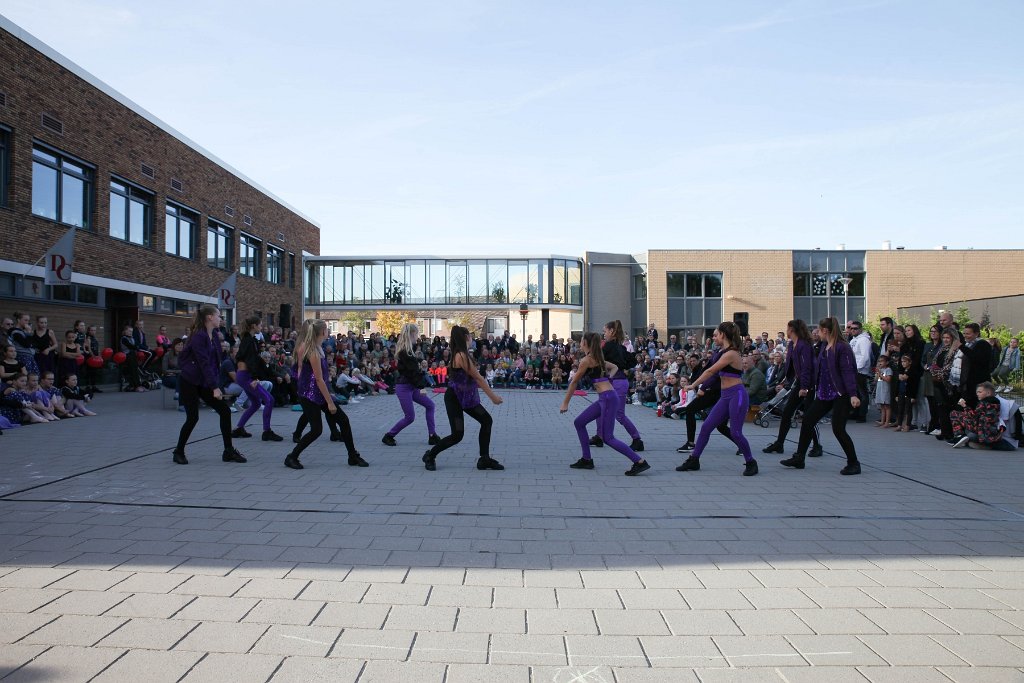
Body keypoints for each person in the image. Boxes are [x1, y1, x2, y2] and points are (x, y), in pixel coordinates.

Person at [675, 321, 759, 476]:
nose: (714, 337)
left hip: (737, 395)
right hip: (726, 396)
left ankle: (751, 462)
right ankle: (694, 460)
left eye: (716, 334)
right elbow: (710, 370)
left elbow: (711, 371)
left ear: (723, 335)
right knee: (707, 427)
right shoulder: (722, 352)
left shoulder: (731, 353)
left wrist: (693, 385)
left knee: (736, 432)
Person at [780, 317, 862, 475]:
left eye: (818, 329)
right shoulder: (824, 346)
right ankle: (799, 458)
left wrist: (853, 394)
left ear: (825, 331)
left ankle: (854, 463)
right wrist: (807, 387)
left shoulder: (841, 347)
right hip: (825, 393)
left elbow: (848, 372)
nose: (816, 332)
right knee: (808, 420)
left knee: (838, 429)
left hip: (841, 393)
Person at [561, 331, 650, 475]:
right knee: (579, 422)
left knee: (608, 438)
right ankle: (586, 459)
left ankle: (639, 462)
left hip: (608, 398)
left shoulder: (587, 360)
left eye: (581, 340)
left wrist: (565, 403)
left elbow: (574, 382)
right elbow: (614, 367)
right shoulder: (597, 357)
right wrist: (608, 379)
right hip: (606, 398)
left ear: (585, 343)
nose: (580, 343)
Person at [286, 319, 367, 469]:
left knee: (343, 420)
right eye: (327, 329)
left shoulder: (318, 347)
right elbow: (317, 379)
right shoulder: (312, 351)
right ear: (323, 332)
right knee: (316, 430)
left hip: (317, 392)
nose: (328, 332)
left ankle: (352, 456)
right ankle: (292, 457)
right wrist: (330, 402)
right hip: (309, 394)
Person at [421, 326, 504, 472]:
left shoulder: (462, 354)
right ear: (466, 337)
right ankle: (430, 455)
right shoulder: (461, 356)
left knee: (486, 421)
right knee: (457, 434)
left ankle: (484, 459)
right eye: (470, 336)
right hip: (454, 398)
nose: (472, 339)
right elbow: (477, 377)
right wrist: (493, 398)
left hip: (465, 397)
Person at [173, 304, 247, 465]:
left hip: (204, 381)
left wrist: (216, 385)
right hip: (190, 381)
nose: (221, 318)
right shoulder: (198, 336)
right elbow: (203, 363)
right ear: (209, 317)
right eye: (219, 315)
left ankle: (228, 451)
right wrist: (214, 387)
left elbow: (215, 363)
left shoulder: (213, 335)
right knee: (193, 418)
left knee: (225, 411)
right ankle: (178, 451)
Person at [763, 319, 821, 457]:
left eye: (787, 328)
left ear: (792, 329)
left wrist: (805, 387)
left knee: (809, 415)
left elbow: (807, 367)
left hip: (807, 384)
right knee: (787, 412)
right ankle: (780, 443)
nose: (786, 331)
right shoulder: (792, 344)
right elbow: (793, 367)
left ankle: (817, 446)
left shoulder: (804, 345)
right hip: (798, 382)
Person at [589, 320, 644, 452]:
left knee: (619, 415)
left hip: (616, 382)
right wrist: (622, 367)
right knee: (599, 409)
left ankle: (637, 440)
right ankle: (599, 436)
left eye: (605, 331)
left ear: (612, 331)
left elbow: (596, 361)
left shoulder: (608, 347)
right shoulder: (620, 347)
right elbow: (631, 361)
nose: (604, 334)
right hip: (616, 381)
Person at [382, 323, 440, 447]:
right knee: (410, 417)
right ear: (412, 334)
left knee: (430, 405)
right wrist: (422, 387)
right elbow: (411, 372)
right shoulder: (405, 352)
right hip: (404, 388)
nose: (417, 336)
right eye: (416, 333)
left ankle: (432, 435)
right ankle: (389, 436)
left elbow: (412, 368)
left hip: (411, 386)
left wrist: (420, 365)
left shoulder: (409, 350)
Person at [231, 316, 283, 442]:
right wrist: (254, 378)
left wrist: (270, 373)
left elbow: (250, 359)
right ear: (253, 326)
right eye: (260, 325)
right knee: (269, 399)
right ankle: (267, 431)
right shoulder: (249, 341)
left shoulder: (250, 340)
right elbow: (250, 360)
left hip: (244, 375)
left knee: (256, 403)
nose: (261, 327)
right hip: (246, 376)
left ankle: (239, 429)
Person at [950, 382, 1003, 449]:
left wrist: (964, 405)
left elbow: (972, 416)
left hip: (981, 430)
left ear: (988, 393)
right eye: (977, 392)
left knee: (954, 413)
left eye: (979, 392)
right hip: (990, 431)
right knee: (961, 414)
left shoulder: (984, 403)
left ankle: (959, 437)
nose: (977, 394)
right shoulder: (996, 403)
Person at [893, 353, 920, 432]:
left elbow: (915, 385)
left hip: (909, 393)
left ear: (910, 362)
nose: (903, 363)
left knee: (908, 410)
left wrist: (913, 396)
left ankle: (908, 425)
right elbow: (898, 383)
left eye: (905, 361)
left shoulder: (913, 372)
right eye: (902, 362)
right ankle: (899, 425)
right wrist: (896, 394)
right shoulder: (901, 371)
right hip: (901, 392)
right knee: (900, 409)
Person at [874, 355, 893, 427]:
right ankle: (882, 421)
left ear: (887, 362)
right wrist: (877, 373)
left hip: (885, 390)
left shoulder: (888, 370)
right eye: (879, 361)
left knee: (886, 406)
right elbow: (875, 380)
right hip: (879, 389)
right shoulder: (880, 370)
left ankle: (887, 422)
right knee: (882, 406)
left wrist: (880, 374)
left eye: (882, 361)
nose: (880, 363)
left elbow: (888, 379)